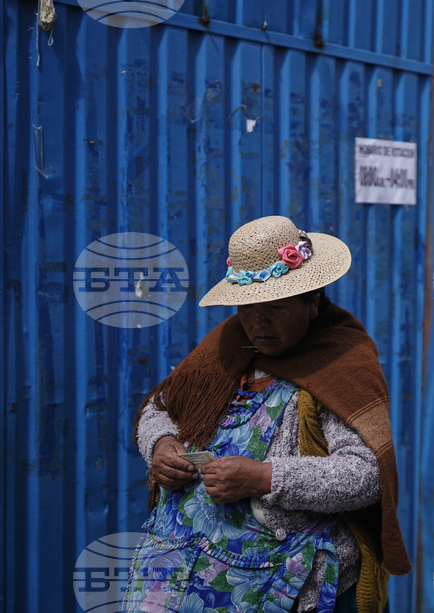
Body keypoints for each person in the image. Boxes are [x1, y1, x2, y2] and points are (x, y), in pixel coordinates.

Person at [123, 215, 411, 612]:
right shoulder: (225, 347)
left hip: (281, 585)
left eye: (275, 307)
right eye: (247, 307)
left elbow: (366, 475)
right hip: (181, 577)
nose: (258, 323)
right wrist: (162, 444)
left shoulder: (342, 365)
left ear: (312, 302)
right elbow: (159, 408)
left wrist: (263, 477)